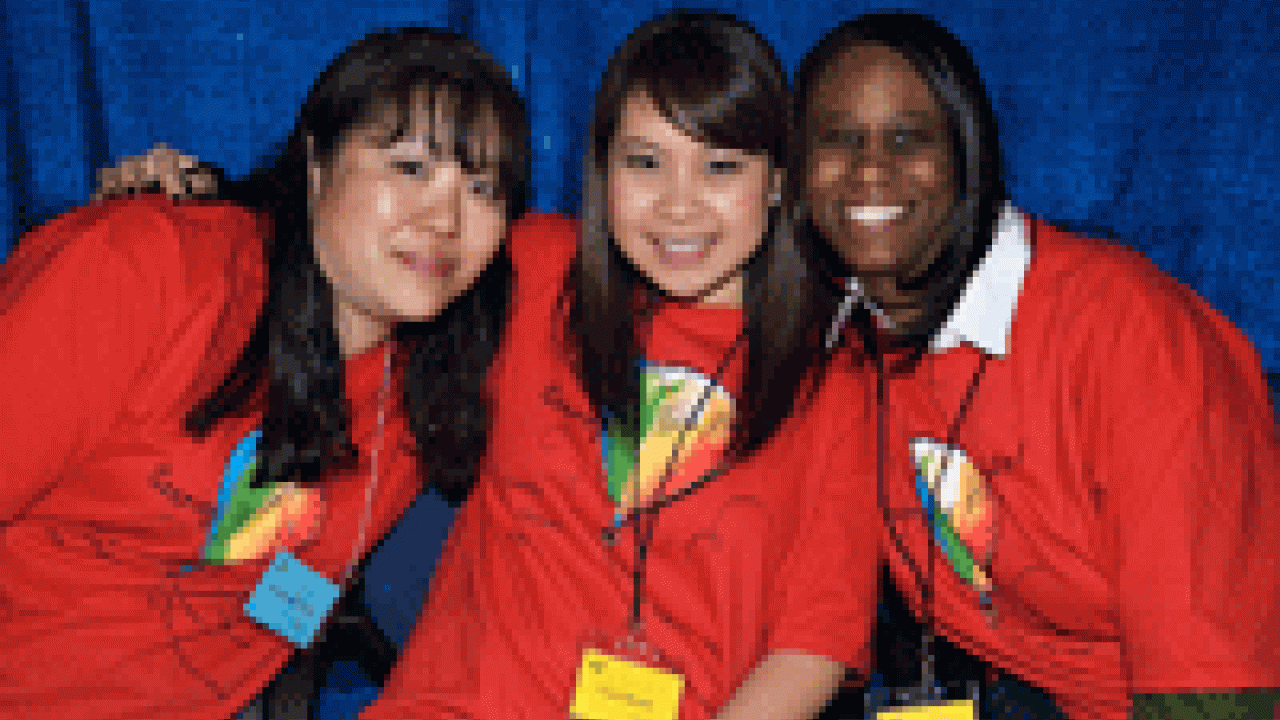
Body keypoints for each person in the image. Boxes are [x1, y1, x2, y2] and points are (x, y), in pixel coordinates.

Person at [354, 12, 878, 720]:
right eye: (645, 162)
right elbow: (350, 247)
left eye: (721, 167)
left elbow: (816, 641)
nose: (679, 205)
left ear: (779, 181)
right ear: (602, 170)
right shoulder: (536, 271)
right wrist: (213, 199)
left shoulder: (830, 372)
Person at [0, 26, 529, 720]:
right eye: (410, 168)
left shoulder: (440, 371)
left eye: (483, 189)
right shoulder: (143, 271)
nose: (446, 220)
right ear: (316, 164)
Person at [793, 11, 1280, 720]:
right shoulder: (836, 339)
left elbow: (1212, 681)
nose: (869, 169)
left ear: (968, 155)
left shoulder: (1128, 330)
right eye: (837, 138)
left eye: (907, 138)